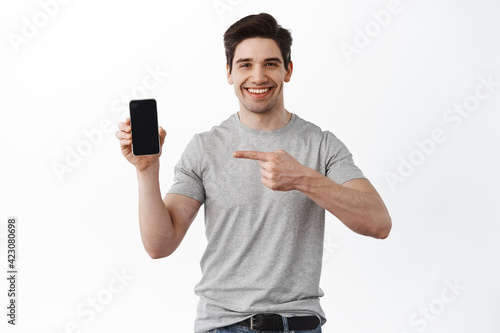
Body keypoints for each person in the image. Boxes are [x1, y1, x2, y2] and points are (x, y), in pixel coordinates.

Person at [116, 12, 391, 333]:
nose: (258, 76)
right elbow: (159, 246)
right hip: (224, 325)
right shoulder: (205, 147)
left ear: (288, 70)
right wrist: (147, 171)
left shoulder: (321, 145)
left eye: (271, 64)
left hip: (299, 324)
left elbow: (379, 223)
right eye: (245, 64)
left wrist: (303, 179)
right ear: (229, 73)